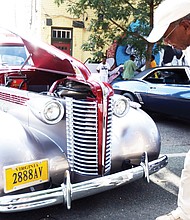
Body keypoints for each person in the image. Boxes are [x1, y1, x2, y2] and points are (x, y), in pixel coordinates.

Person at [147, 0, 190, 219]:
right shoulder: (188, 52)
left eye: (167, 33)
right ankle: (185, 213)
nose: (166, 41)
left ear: (186, 26)